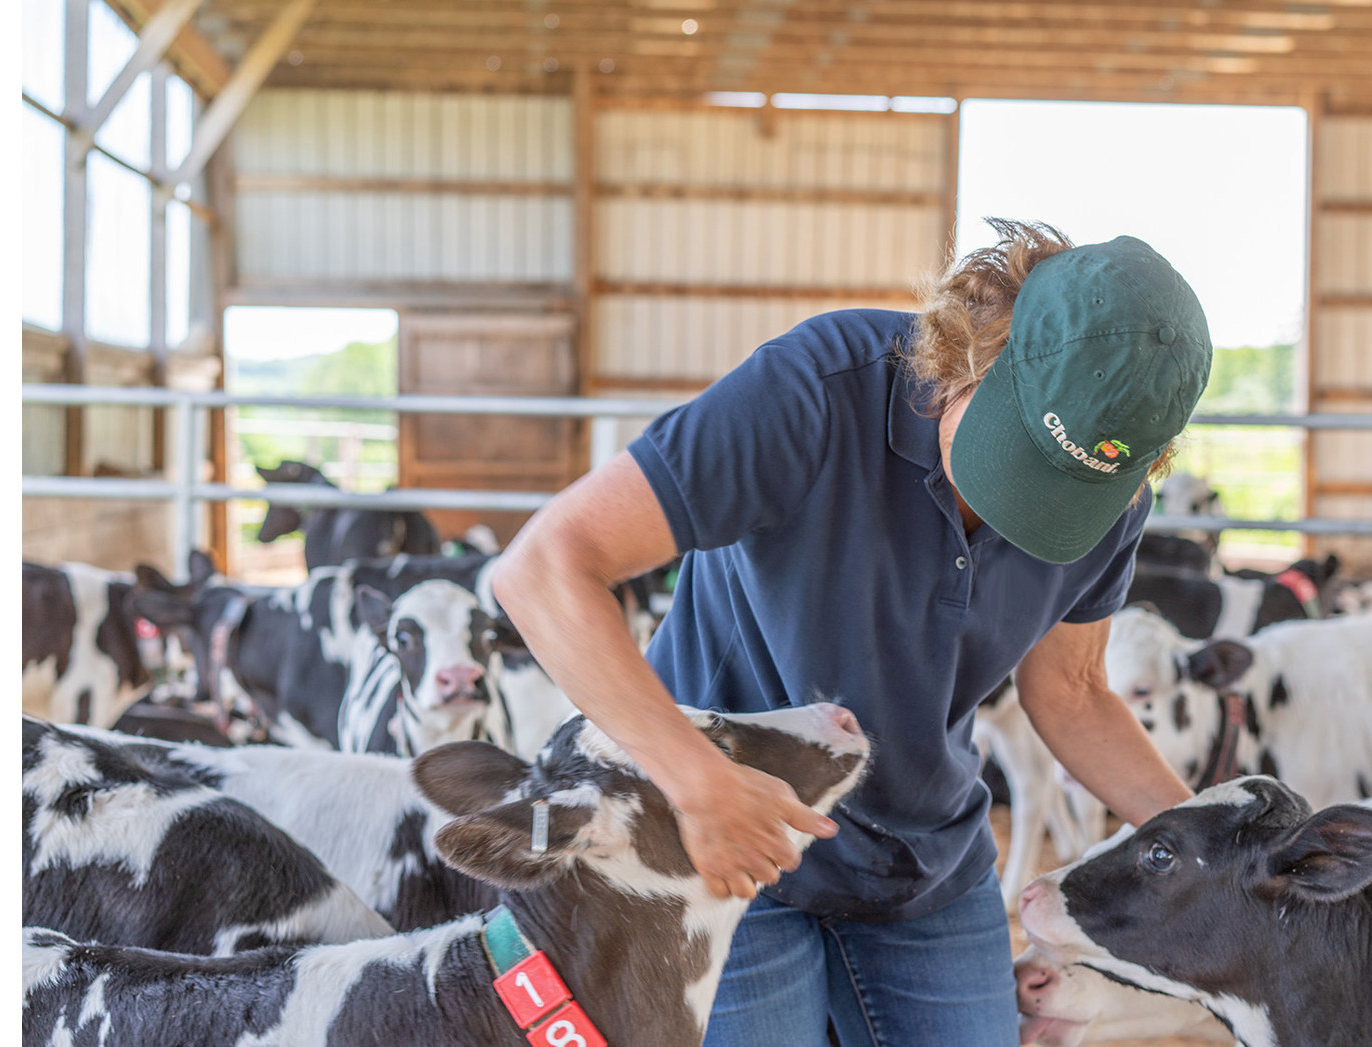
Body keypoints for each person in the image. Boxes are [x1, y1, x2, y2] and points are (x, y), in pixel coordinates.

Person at [490, 218, 1213, 1046]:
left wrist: (1222, 851)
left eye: (1064, 490)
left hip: (924, 861)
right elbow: (543, 567)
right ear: (976, 343)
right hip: (724, 845)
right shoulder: (813, 389)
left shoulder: (1109, 500)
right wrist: (695, 779)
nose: (1020, 507)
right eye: (1013, 453)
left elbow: (1073, 692)